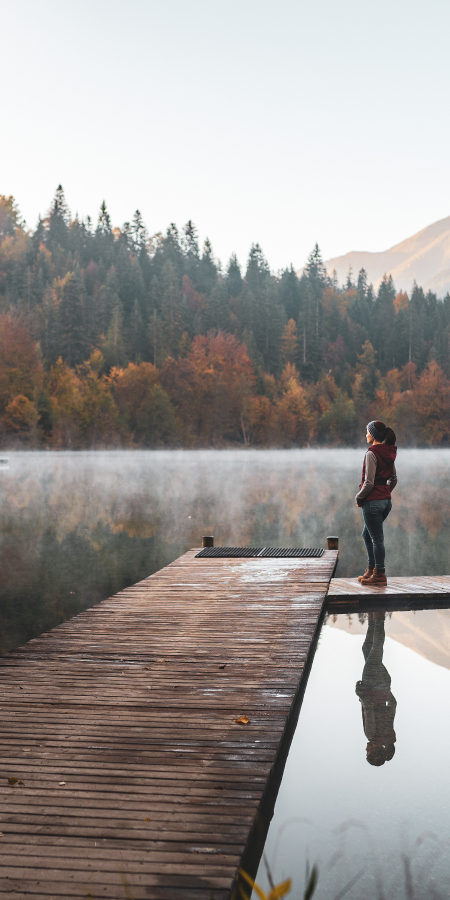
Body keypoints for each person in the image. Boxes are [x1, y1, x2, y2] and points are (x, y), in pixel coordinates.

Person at [355, 420, 397, 586]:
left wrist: (359, 498)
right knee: (367, 535)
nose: (366, 435)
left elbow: (369, 483)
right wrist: (385, 493)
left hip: (372, 502)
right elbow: (394, 479)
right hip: (386, 502)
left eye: (367, 432)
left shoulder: (371, 453)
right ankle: (372, 570)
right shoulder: (389, 452)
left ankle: (379, 574)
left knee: (377, 539)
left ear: (372, 435)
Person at [355, 610, 396, 766]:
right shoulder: (371, 734)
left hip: (383, 683)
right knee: (375, 649)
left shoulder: (387, 735)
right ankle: (378, 618)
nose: (366, 750)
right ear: (374, 750)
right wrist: (360, 693)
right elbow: (370, 708)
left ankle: (373, 616)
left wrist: (386, 690)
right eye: (368, 752)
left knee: (368, 648)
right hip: (372, 684)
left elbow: (393, 704)